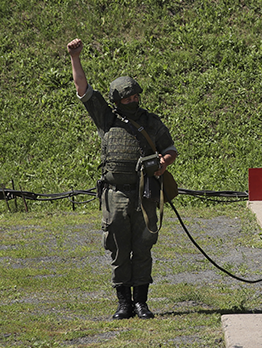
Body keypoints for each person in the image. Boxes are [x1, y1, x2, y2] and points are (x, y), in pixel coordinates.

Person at [67, 38, 178, 320]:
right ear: (117, 100)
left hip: (145, 194)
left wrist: (162, 164)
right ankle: (123, 303)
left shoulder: (150, 121)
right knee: (118, 247)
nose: (132, 101)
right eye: (127, 98)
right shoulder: (106, 118)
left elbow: (170, 149)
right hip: (114, 194)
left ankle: (141, 302)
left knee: (143, 247)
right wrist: (75, 57)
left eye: (135, 97)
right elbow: (82, 89)